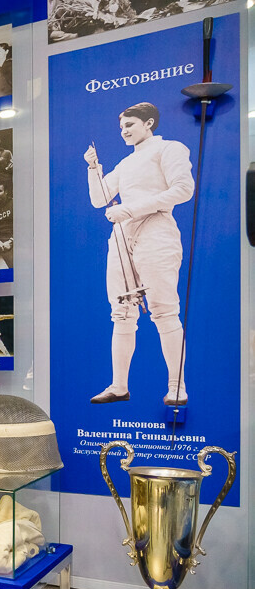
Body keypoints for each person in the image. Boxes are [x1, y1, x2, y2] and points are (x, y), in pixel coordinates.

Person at [85, 101, 193, 405]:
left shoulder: (169, 149)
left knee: (163, 310)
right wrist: (93, 168)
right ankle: (119, 385)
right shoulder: (126, 164)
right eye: (121, 127)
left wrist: (130, 208)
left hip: (156, 229)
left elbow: (183, 189)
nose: (124, 131)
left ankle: (177, 386)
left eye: (129, 125)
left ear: (148, 123)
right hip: (122, 235)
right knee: (121, 311)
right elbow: (99, 199)